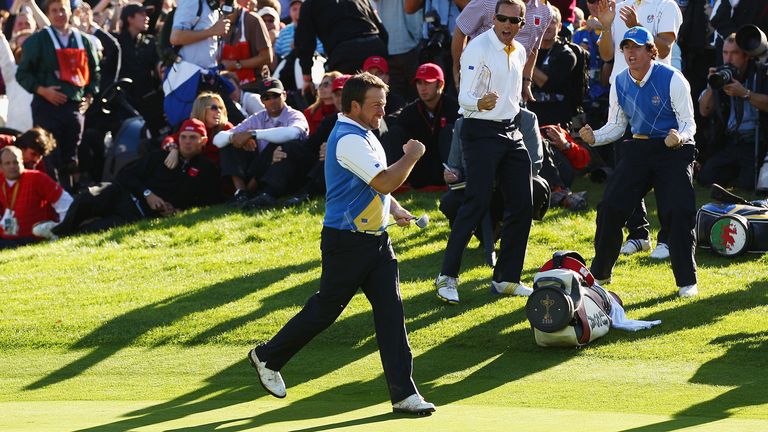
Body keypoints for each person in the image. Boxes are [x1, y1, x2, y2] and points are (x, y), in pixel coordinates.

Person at [247, 72, 436, 415]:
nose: (383, 110)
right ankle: (267, 356)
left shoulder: (365, 133)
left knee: (391, 314)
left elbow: (376, 185)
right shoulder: (348, 138)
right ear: (354, 106)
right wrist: (412, 155)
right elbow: (384, 179)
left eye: (383, 102)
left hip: (376, 241)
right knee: (325, 310)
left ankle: (404, 395)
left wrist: (394, 208)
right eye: (376, 104)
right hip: (346, 243)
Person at [578, 26, 698, 298]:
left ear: (650, 51)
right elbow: (617, 126)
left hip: (674, 148)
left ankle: (687, 281)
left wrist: (679, 136)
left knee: (677, 211)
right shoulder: (619, 81)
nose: (630, 53)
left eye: (637, 47)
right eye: (626, 47)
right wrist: (593, 137)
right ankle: (600, 274)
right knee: (609, 207)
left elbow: (689, 122)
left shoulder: (672, 78)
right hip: (639, 147)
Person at [435, 0, 533, 305]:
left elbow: (514, 95)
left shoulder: (519, 51)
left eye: (513, 21)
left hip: (510, 131)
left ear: (521, 23)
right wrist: (480, 103)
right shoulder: (477, 47)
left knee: (523, 205)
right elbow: (464, 95)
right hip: (479, 131)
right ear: (493, 19)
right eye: (502, 19)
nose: (507, 25)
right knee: (476, 202)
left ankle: (506, 279)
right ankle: (446, 277)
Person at [51, 119, 222, 236]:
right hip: (123, 194)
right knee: (88, 197)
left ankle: (63, 236)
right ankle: (57, 231)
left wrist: (179, 211)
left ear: (203, 141)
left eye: (193, 138)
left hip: (136, 216)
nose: (187, 142)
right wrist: (147, 193)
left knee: (91, 231)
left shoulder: (206, 169)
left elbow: (210, 202)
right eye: (183, 137)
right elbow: (125, 174)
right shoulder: (160, 156)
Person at [16, 0, 100, 191]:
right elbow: (22, 74)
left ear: (70, 12)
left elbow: (94, 73)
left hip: (73, 108)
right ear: (48, 13)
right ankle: (52, 200)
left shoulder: (83, 40)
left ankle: (70, 200)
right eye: (54, 11)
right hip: (47, 108)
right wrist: (43, 90)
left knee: (71, 159)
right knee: (50, 157)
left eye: (62, 10)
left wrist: (89, 96)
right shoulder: (38, 41)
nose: (59, 14)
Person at [212, 77, 309, 207]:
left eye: (275, 95)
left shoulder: (295, 115)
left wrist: (253, 134)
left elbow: (293, 133)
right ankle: (241, 193)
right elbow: (218, 140)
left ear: (284, 95)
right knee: (230, 142)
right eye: (266, 97)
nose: (272, 100)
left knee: (279, 145)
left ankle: (262, 192)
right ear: (262, 100)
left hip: (290, 169)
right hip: (264, 168)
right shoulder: (258, 117)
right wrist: (235, 138)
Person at [698, 33, 768, 191]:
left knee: (748, 185)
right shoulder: (720, 74)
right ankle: (733, 174)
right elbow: (703, 111)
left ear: (746, 56)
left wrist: (745, 93)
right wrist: (712, 87)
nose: (728, 59)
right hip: (731, 141)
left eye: (734, 53)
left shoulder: (760, 73)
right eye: (725, 53)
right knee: (705, 177)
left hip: (755, 141)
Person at [389, 62, 459, 189]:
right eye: (419, 83)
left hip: (447, 171)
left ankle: (456, 181)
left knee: (450, 131)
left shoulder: (454, 108)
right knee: (395, 131)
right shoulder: (410, 111)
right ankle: (396, 182)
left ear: (441, 84)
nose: (422, 88)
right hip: (418, 172)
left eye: (427, 82)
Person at [294, 0, 388, 92]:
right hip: (374, 45)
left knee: (351, 100)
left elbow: (304, 41)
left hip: (345, 53)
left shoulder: (311, 3)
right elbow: (383, 32)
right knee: (381, 95)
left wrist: (306, 74)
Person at [0, 146, 72, 248]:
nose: (12, 166)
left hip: (31, 238)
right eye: (7, 163)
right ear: (1, 167)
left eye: (16, 162)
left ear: (22, 162)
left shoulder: (36, 178)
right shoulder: (1, 180)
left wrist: (62, 230)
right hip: (6, 237)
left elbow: (66, 203)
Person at [303, 70, 341, 135]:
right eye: (320, 85)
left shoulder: (346, 111)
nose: (321, 88)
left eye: (326, 84)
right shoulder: (309, 113)